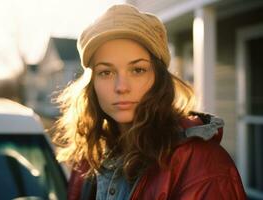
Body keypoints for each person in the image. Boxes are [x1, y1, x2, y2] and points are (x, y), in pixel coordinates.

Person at [52, 4, 246, 200]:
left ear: (159, 78)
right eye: (106, 72)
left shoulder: (203, 165)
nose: (121, 87)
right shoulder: (88, 159)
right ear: (92, 83)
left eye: (138, 70)